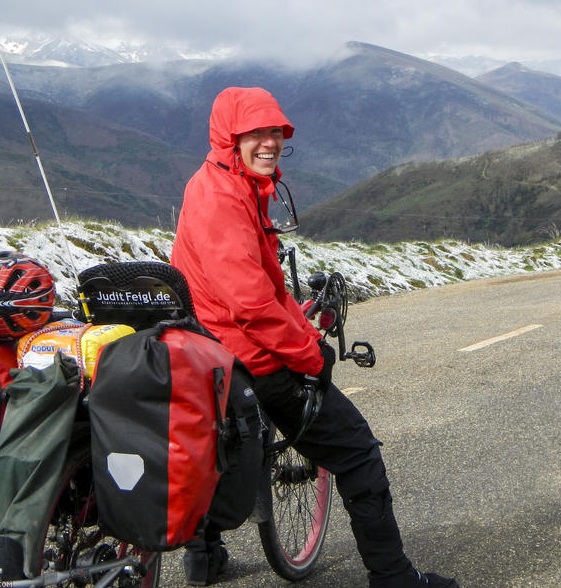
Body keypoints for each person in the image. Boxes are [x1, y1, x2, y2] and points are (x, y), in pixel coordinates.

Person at [171, 87, 457, 587]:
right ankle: (394, 579)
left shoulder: (227, 184)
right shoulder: (221, 198)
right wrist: (309, 354)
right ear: (228, 137)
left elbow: (267, 286)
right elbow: (252, 304)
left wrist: (303, 331)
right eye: (254, 133)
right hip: (249, 357)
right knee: (358, 454)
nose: (269, 142)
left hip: (213, 350)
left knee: (224, 449)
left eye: (276, 132)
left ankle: (204, 554)